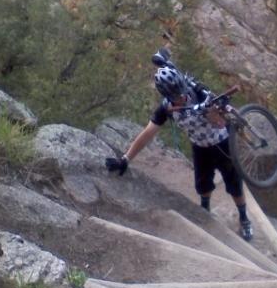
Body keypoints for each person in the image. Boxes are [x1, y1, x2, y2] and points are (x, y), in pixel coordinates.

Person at [105, 50, 253, 241]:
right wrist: (125, 159)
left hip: (222, 142)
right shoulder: (166, 109)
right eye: (176, 96)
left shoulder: (197, 92)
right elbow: (147, 133)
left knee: (234, 185)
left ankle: (244, 218)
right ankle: (205, 213)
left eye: (181, 92)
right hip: (200, 148)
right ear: (167, 95)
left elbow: (219, 122)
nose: (182, 97)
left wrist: (208, 112)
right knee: (202, 185)